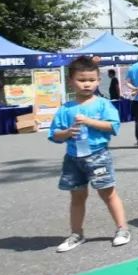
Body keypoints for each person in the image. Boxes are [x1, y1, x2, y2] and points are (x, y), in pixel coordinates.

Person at [48, 56, 130, 252]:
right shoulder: (65, 108)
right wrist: (67, 133)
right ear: (70, 81)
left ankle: (122, 229)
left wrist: (88, 121)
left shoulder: (103, 104)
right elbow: (54, 135)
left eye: (92, 80)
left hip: (98, 155)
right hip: (73, 158)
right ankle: (77, 233)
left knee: (108, 193)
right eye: (82, 80)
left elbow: (112, 126)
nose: (87, 84)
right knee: (77, 196)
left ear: (98, 80)